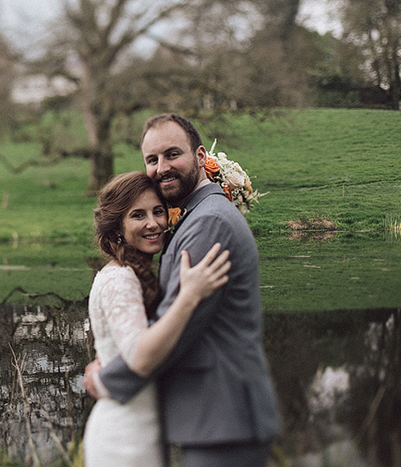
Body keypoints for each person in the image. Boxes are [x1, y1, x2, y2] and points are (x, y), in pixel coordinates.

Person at [84, 114, 281, 467]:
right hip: (215, 418)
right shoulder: (198, 215)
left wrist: (106, 379)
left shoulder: (208, 223)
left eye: (172, 154)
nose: (162, 167)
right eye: (152, 159)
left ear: (201, 155)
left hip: (224, 414)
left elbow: (181, 325)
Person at [83, 171, 232, 467]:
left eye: (158, 211)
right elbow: (140, 356)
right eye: (138, 215)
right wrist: (189, 296)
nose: (153, 223)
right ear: (118, 229)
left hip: (147, 427)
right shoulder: (120, 279)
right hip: (124, 435)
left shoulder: (141, 274)